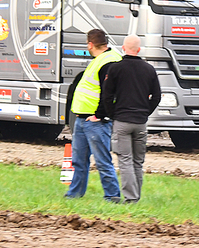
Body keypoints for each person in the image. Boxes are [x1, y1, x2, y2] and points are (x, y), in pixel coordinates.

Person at [64, 29, 122, 202]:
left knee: (102, 160)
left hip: (95, 121)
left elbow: (109, 93)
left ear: (90, 44)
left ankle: (112, 196)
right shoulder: (101, 59)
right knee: (78, 161)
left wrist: (101, 115)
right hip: (84, 119)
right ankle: (74, 194)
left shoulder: (108, 62)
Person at [103, 34, 161, 203]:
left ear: (123, 48)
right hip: (141, 123)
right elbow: (157, 96)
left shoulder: (115, 68)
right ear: (139, 49)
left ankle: (131, 199)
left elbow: (107, 96)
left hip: (122, 121)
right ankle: (136, 196)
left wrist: (114, 114)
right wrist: (145, 113)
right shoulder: (149, 69)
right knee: (137, 162)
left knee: (125, 161)